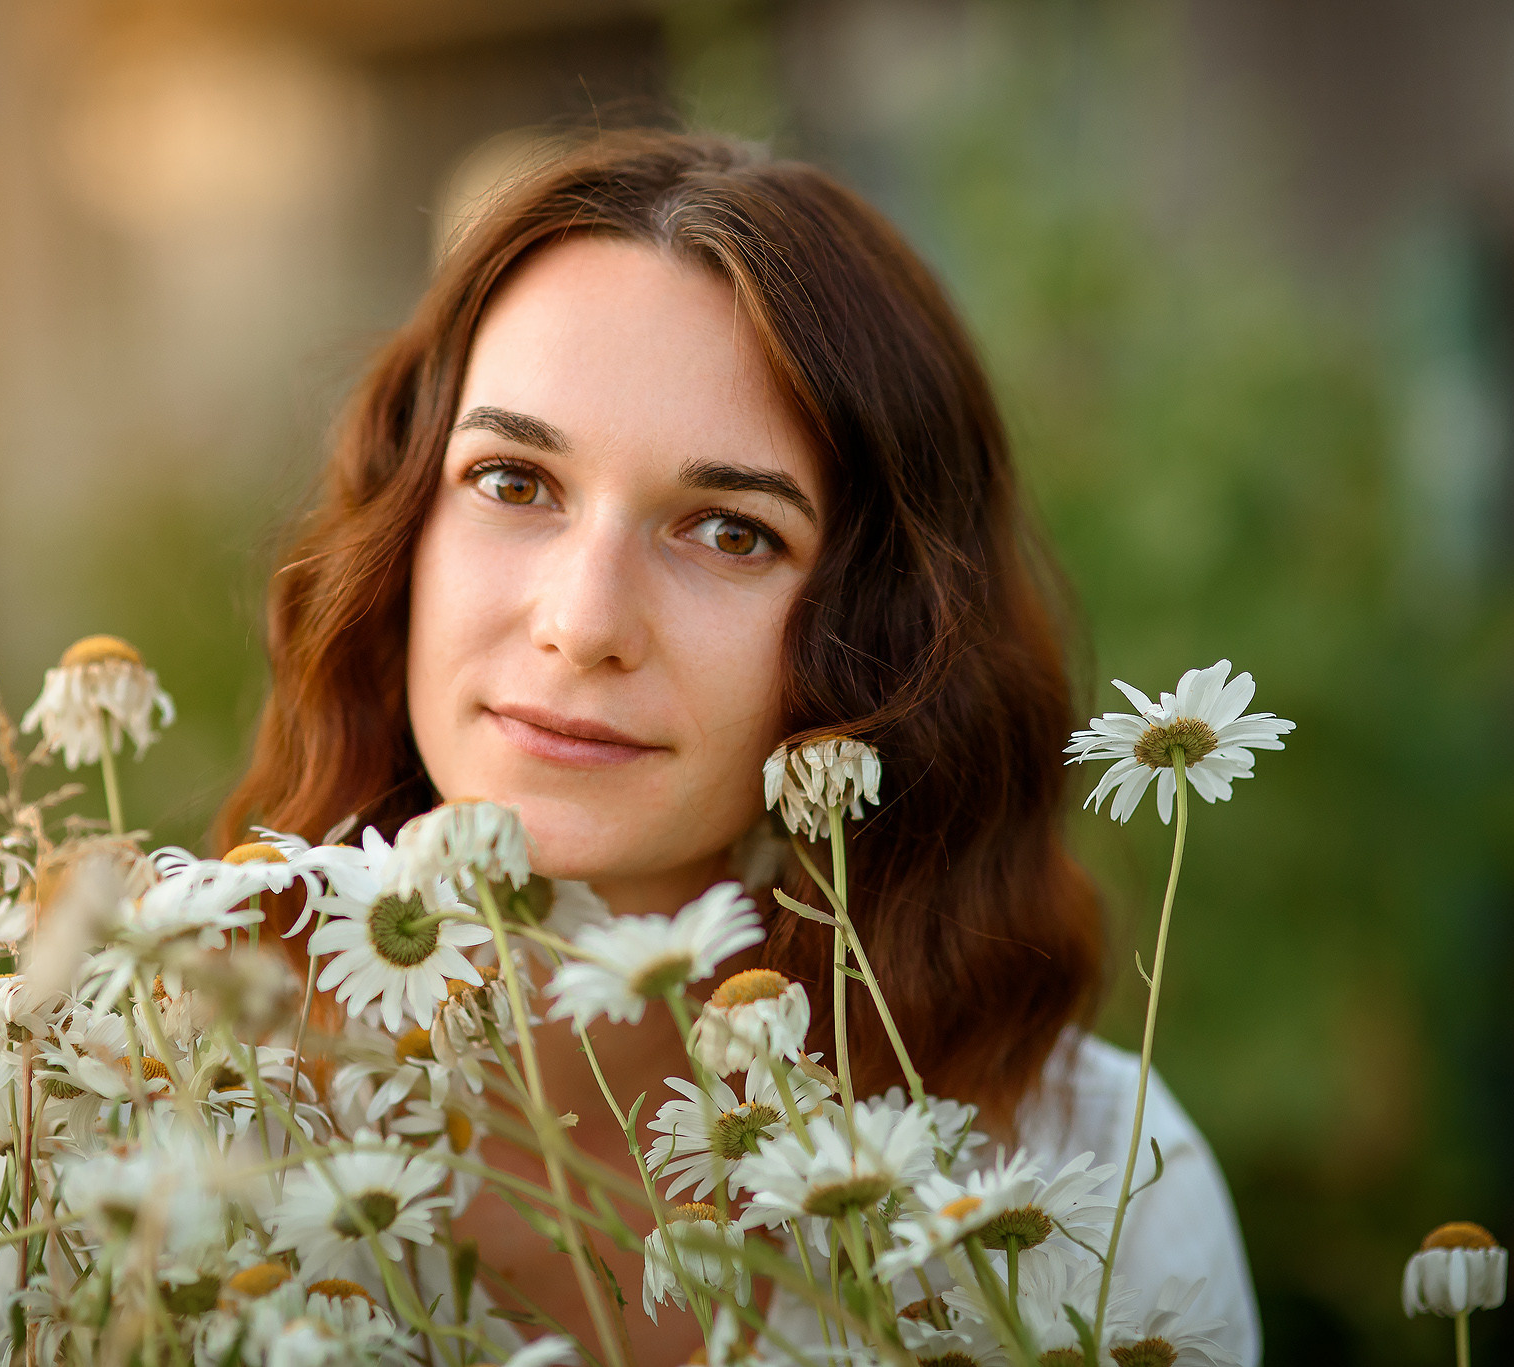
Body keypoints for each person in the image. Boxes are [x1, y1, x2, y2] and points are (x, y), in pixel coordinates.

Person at [216, 130, 1261, 1365]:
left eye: (728, 530)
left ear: (886, 636)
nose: (583, 623)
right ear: (402, 534)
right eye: (511, 480)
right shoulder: (154, 1121)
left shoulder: (1078, 1192)